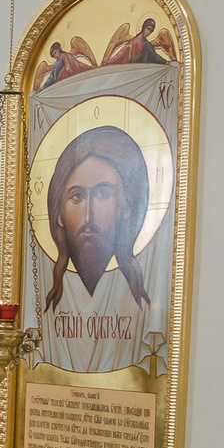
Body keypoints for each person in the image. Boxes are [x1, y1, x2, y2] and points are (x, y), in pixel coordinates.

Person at [35, 123, 163, 376]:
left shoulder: (137, 293)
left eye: (103, 194)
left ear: (127, 208)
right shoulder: (49, 291)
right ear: (58, 214)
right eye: (77, 197)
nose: (88, 216)